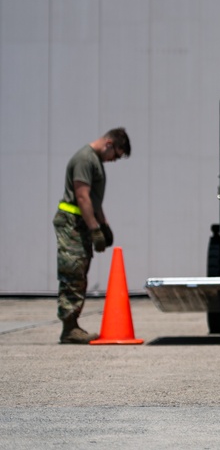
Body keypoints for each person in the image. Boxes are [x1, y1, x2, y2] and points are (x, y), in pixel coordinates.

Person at [52, 128, 131, 344]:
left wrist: (103, 225)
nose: (114, 160)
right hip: (72, 224)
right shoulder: (85, 159)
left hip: (81, 224)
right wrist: (95, 229)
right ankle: (69, 328)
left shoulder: (95, 162)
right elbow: (82, 197)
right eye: (115, 155)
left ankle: (72, 325)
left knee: (80, 272)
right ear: (108, 143)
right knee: (73, 272)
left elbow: (95, 201)